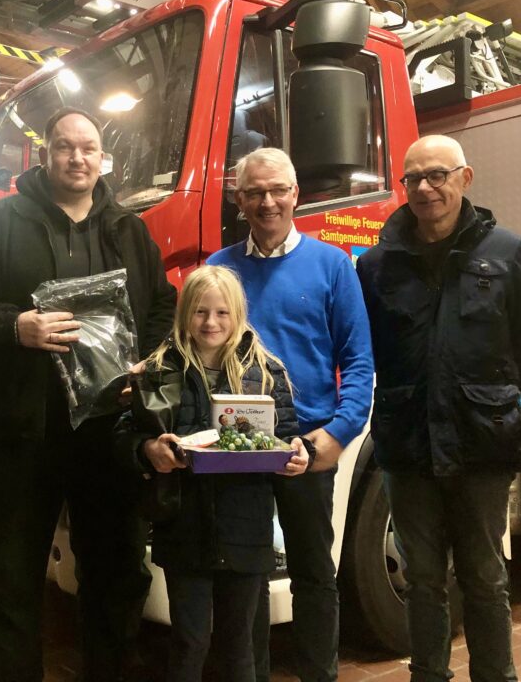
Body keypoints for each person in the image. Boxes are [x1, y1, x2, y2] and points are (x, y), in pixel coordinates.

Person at [0, 107, 177, 681]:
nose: (77, 158)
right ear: (45, 155)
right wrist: (12, 325)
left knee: (117, 573)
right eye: (64, 147)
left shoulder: (128, 229)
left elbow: (162, 305)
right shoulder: (1, 222)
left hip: (108, 434)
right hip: (22, 431)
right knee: (7, 575)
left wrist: (146, 360)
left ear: (103, 159)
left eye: (88, 148)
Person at [356, 135, 521, 682]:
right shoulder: (376, 265)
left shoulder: (507, 251)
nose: (424, 188)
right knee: (422, 581)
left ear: (465, 177)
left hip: (481, 443)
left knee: (485, 577)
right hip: (407, 444)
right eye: (412, 178)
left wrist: (488, 398)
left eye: (437, 175)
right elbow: (367, 346)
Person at [207, 147, 374, 682]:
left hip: (307, 442)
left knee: (314, 574)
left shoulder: (332, 266)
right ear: (239, 200)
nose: (267, 202)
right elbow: (195, 356)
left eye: (278, 189)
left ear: (296, 193)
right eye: (254, 192)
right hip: (238, 442)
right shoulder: (217, 269)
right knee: (245, 575)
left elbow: (359, 363)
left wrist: (336, 437)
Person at [116, 265, 310, 682]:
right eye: (201, 312)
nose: (211, 322)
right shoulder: (158, 370)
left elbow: (289, 436)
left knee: (240, 645)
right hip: (184, 527)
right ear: (185, 313)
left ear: (238, 314)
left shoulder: (266, 370)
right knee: (190, 641)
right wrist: (147, 450)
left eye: (222, 313)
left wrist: (298, 454)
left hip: (247, 527)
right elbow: (124, 436)